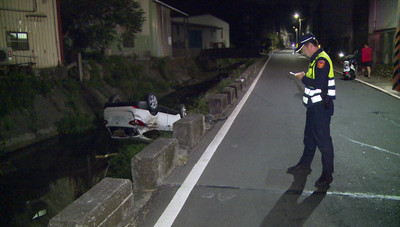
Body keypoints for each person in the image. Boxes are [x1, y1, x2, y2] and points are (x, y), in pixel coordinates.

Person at [288, 33, 335, 188]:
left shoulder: (321, 60)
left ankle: (327, 175)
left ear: (309, 46)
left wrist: (303, 78)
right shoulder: (315, 59)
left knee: (323, 142)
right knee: (309, 137)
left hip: (321, 108)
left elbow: (319, 84)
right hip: (313, 106)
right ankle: (304, 165)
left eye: (303, 50)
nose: (303, 53)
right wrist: (304, 76)